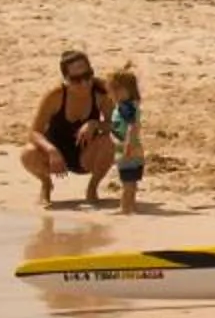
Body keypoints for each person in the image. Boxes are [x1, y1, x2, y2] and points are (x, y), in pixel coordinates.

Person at [21, 49, 114, 208]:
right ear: (66, 79)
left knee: (108, 143)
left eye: (87, 75)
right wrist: (51, 150)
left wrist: (95, 124)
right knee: (28, 153)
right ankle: (46, 184)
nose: (84, 83)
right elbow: (34, 132)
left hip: (85, 155)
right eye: (76, 79)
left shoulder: (101, 93)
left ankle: (92, 188)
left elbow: (117, 126)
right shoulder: (56, 95)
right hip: (54, 157)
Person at [104, 65, 146, 215]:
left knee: (127, 182)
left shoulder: (125, 107)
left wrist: (128, 144)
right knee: (131, 181)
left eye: (115, 90)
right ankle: (132, 206)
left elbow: (132, 126)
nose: (112, 94)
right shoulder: (131, 105)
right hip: (134, 148)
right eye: (110, 90)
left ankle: (124, 207)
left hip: (128, 148)